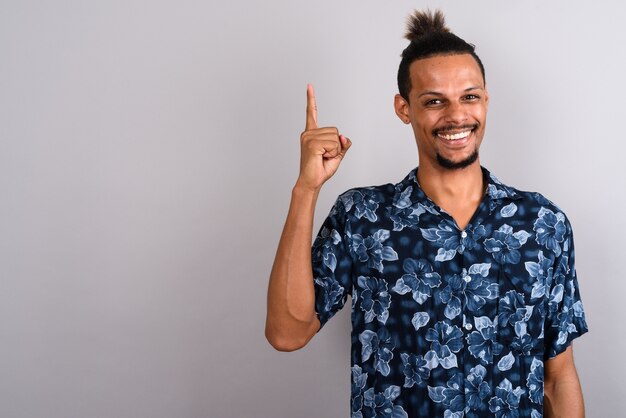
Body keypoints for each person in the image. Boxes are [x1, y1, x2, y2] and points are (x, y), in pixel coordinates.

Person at [265, 9, 588, 418]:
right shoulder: (362, 217)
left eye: (469, 97)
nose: (456, 115)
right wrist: (305, 189)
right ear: (404, 108)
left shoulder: (543, 223)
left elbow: (558, 378)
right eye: (435, 101)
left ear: (485, 101)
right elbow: (286, 332)